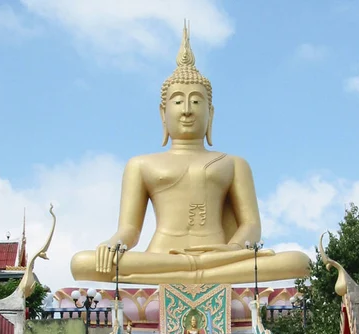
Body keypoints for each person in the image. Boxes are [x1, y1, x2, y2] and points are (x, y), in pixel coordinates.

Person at [71, 24, 310, 285]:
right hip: (162, 257)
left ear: (211, 113)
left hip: (221, 256)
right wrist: (112, 244)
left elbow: (251, 226)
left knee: (299, 262)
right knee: (82, 263)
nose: (187, 110)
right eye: (177, 102)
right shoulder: (140, 165)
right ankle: (198, 273)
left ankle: (196, 272)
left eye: (196, 101)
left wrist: (233, 249)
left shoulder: (234, 164)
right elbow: (130, 230)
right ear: (163, 114)